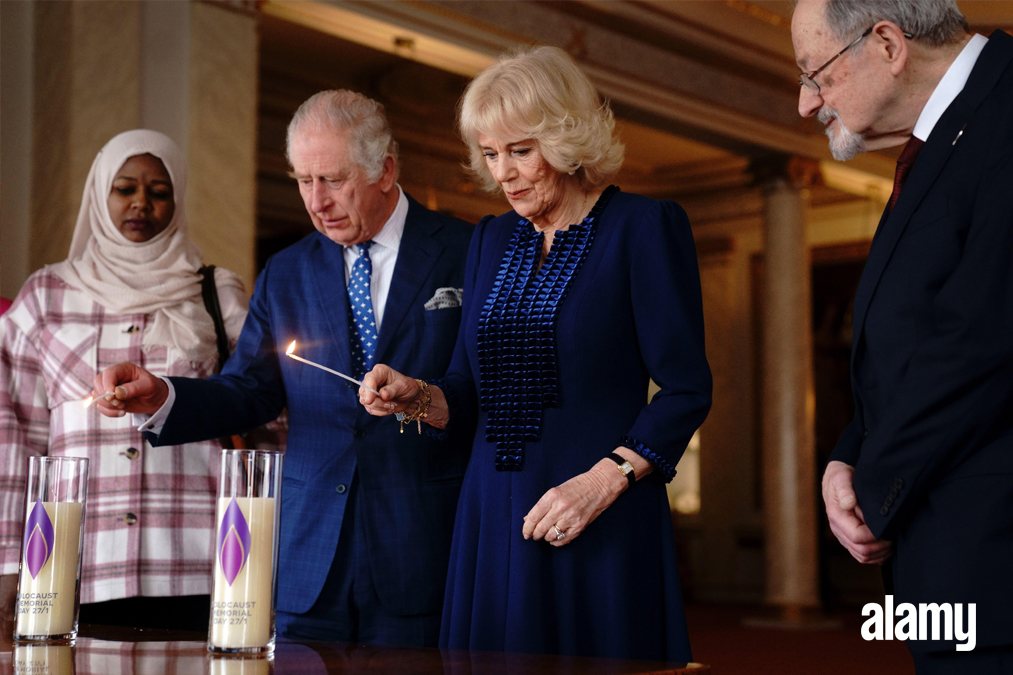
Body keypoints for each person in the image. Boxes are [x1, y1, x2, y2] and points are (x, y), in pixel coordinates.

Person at [360, 46, 711, 662]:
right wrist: (417, 396)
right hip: (491, 517)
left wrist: (605, 481)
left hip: (601, 515)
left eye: (521, 150)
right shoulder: (491, 239)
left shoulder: (644, 226)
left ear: (568, 137)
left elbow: (686, 389)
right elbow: (467, 391)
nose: (504, 173)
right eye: (491, 154)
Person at [92, 91, 474, 647]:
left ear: (386, 169)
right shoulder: (286, 271)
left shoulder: (467, 250)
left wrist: (425, 396)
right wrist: (163, 397)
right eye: (303, 181)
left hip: (425, 545)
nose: (316, 202)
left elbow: (488, 388)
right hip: (307, 555)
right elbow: (251, 391)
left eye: (334, 180)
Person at [793, 0, 1013, 670]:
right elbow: (912, 337)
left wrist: (871, 484)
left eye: (814, 74)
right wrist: (846, 455)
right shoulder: (944, 134)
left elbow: (982, 341)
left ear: (885, 43)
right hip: (953, 561)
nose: (805, 103)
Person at [0, 130, 248, 633]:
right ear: (99, 194)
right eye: (125, 188)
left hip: (200, 561)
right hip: (72, 564)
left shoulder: (217, 294)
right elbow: (15, 437)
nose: (141, 203)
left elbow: (256, 409)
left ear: (176, 201)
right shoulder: (45, 294)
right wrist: (8, 560)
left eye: (159, 192)